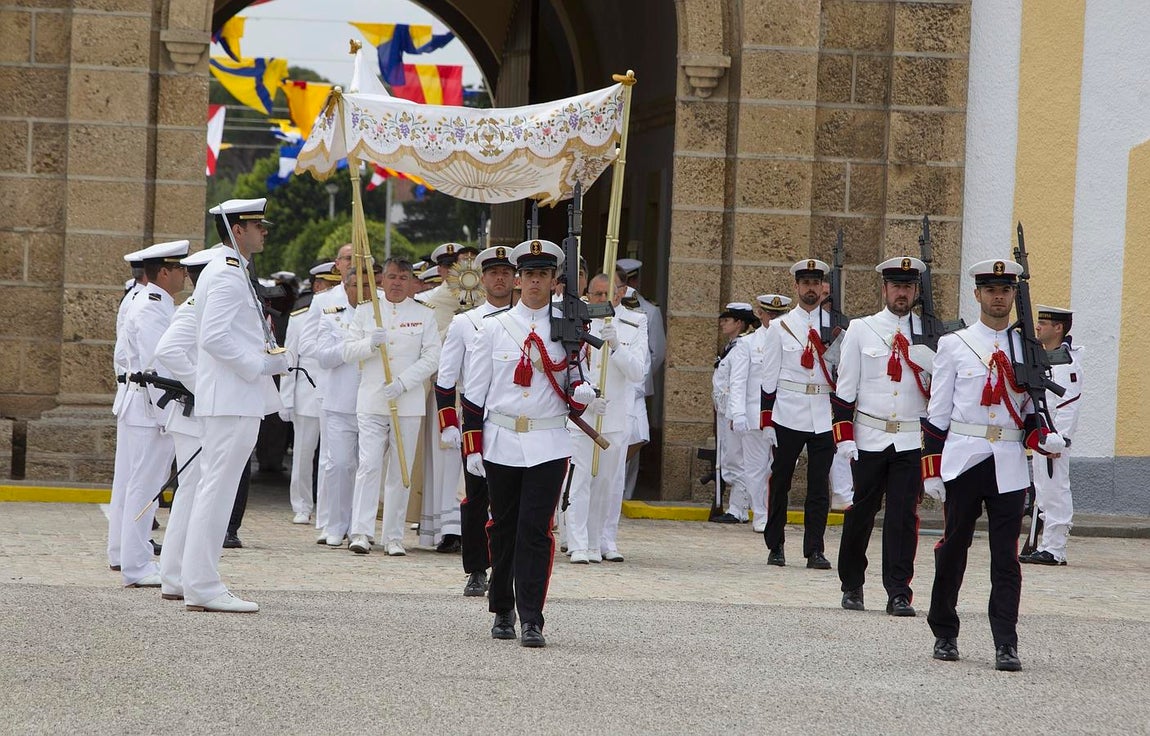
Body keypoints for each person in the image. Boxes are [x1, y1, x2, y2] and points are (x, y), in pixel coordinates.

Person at [923, 258, 1067, 671]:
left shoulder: (1027, 347)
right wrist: (931, 469)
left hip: (1007, 463)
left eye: (1005, 290)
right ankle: (945, 632)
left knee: (1005, 558)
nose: (999, 297)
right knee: (953, 550)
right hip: (965, 458)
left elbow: (1030, 408)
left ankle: (1006, 642)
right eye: (991, 290)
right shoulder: (955, 345)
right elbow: (937, 413)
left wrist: (1043, 434)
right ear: (978, 295)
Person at [462, 238, 597, 648]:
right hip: (502, 440)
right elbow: (473, 395)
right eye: (529, 274)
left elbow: (575, 385)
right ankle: (503, 608)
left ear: (555, 280)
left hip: (548, 441)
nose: (535, 282)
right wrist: (473, 448)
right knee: (502, 528)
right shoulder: (492, 328)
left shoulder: (569, 328)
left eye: (543, 274)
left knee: (536, 531)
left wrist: (584, 393)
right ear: (518, 280)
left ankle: (532, 616)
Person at [183, 198, 288, 613]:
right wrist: (260, 366)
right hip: (231, 396)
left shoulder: (234, 271)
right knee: (217, 491)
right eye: (258, 226)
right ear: (237, 230)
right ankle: (203, 585)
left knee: (217, 490)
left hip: (234, 397)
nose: (264, 232)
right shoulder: (226, 275)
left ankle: (199, 581)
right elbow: (213, 338)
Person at [832, 257, 932, 616]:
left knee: (903, 518)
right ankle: (852, 584)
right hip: (869, 437)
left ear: (916, 291)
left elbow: (939, 392)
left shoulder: (930, 332)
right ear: (884, 289)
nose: (901, 292)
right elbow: (845, 390)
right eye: (896, 285)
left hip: (909, 439)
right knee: (860, 514)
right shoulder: (861, 329)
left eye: (908, 286)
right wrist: (844, 439)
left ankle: (898, 590)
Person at [342, 257, 440, 556]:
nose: (397, 282)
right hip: (372, 400)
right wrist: (370, 343)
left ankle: (393, 536)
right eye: (392, 276)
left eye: (403, 277)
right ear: (382, 279)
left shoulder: (424, 315)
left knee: (401, 470)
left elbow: (432, 356)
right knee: (369, 465)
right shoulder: (366, 312)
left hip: (407, 401)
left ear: (412, 281)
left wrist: (404, 382)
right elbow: (347, 351)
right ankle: (360, 531)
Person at [434, 245, 516, 594]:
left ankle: (507, 565)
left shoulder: (529, 319)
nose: (500, 278)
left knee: (510, 499)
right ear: (482, 278)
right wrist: (449, 423)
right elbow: (446, 378)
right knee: (476, 498)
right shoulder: (464, 323)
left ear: (515, 278)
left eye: (506, 272)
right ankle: (476, 568)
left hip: (514, 417)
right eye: (493, 272)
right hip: (476, 420)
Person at [110, 239, 189, 588]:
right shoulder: (152, 307)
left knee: (133, 484)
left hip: (139, 404)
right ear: (165, 272)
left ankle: (125, 552)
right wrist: (167, 415)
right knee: (143, 486)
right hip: (148, 408)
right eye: (181, 268)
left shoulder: (152, 302)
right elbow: (159, 366)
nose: (186, 274)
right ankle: (137, 565)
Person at [153, 245, 223, 600]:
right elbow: (167, 351)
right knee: (192, 493)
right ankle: (175, 574)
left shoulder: (205, 307)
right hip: (195, 414)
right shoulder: (194, 308)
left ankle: (175, 574)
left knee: (191, 494)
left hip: (200, 414)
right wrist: (203, 386)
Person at [566, 273, 648, 563]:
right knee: (580, 478)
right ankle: (577, 543)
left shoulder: (635, 323)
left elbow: (638, 372)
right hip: (583, 415)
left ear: (620, 293)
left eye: (606, 294)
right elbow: (570, 363)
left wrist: (617, 348)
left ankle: (600, 539)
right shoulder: (577, 321)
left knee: (608, 482)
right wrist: (585, 396)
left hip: (615, 415)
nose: (600, 300)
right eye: (595, 294)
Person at [760, 259, 836, 569]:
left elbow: (840, 372)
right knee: (781, 481)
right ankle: (775, 544)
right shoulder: (780, 327)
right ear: (796, 287)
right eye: (805, 283)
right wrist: (766, 418)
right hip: (788, 411)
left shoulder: (835, 325)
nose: (810, 288)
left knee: (819, 487)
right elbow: (768, 376)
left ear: (822, 287)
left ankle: (814, 548)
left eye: (815, 283)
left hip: (821, 411)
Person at [1020, 305, 1083, 566]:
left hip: (1054, 439)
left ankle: (1055, 549)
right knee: (1043, 490)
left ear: (1058, 328)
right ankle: (1043, 544)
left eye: (1044, 323)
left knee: (1055, 489)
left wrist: (1061, 438)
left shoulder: (1066, 363)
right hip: (1043, 435)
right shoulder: (1046, 357)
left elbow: (1069, 405)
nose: (1038, 327)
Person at [278, 264, 337, 525]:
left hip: (335, 394)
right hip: (307, 394)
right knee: (303, 454)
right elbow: (290, 361)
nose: (333, 290)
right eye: (328, 284)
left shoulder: (345, 314)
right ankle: (301, 504)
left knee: (333, 456)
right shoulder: (300, 317)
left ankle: (327, 506)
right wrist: (286, 399)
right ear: (317, 286)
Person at [724, 295, 789, 532]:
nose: (773, 319)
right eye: (769, 314)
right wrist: (737, 414)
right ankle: (761, 513)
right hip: (755, 414)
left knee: (779, 467)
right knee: (756, 467)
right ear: (760, 314)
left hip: (785, 414)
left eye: (778, 314)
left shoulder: (792, 341)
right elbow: (738, 381)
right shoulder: (747, 344)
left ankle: (775, 510)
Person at [312, 266, 366, 547]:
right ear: (346, 286)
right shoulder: (333, 315)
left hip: (371, 401)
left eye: (367, 285)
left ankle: (360, 526)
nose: (362, 291)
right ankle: (335, 524)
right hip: (340, 401)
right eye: (356, 285)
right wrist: (352, 348)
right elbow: (322, 356)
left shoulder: (377, 313)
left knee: (367, 468)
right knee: (340, 464)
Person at [616, 258, 666, 499]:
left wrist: (639, 380)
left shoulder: (650, 310)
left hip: (637, 386)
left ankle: (627, 493)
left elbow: (656, 354)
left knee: (632, 441)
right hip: (614, 386)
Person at [711, 303, 758, 524]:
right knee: (729, 458)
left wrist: (733, 413)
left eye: (727, 320)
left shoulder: (741, 348)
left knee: (735, 459)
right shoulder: (733, 346)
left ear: (739, 323)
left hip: (732, 412)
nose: (723, 323)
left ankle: (738, 508)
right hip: (725, 410)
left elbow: (738, 382)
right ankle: (736, 507)